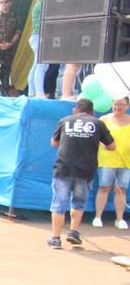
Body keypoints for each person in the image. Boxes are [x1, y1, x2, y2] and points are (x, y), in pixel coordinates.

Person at [49, 98, 115, 248]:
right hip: (85, 170)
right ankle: (73, 232)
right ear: (92, 112)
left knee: (59, 204)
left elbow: (54, 142)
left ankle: (56, 238)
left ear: (75, 110)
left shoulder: (65, 120)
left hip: (63, 168)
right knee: (78, 203)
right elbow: (112, 146)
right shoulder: (98, 123)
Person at [93, 94, 130, 229]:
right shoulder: (104, 120)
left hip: (126, 161)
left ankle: (119, 219)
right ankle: (98, 217)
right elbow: (96, 137)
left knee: (121, 190)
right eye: (115, 104)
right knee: (104, 187)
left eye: (121, 104)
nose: (117, 107)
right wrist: (103, 145)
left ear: (127, 106)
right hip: (106, 160)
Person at [27, 0, 46, 98]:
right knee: (41, 64)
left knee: (36, 64)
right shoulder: (43, 3)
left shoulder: (38, 4)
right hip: (39, 35)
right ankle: (39, 92)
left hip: (36, 36)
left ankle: (32, 92)